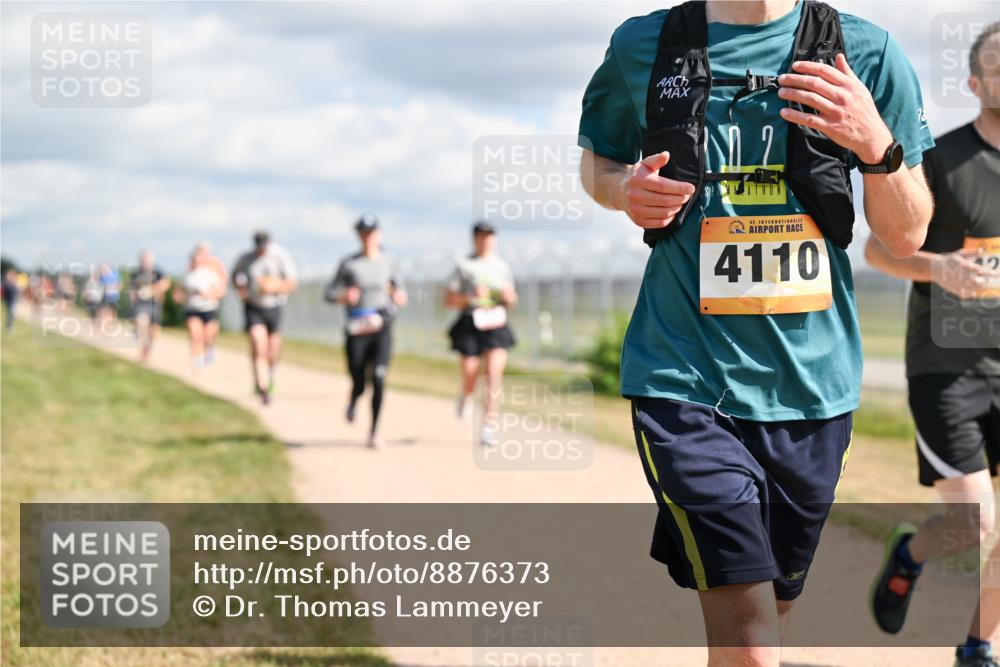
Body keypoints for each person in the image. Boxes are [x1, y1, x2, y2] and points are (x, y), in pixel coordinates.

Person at [578, 0, 934, 663]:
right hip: (684, 377)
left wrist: (875, 144)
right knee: (749, 640)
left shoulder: (868, 50)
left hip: (814, 390)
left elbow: (907, 233)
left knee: (774, 612)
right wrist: (624, 186)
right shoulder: (644, 44)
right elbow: (598, 161)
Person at [865, 22, 1000, 667]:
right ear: (974, 82)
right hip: (948, 366)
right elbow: (878, 247)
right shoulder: (940, 160)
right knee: (974, 526)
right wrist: (939, 267)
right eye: (996, 64)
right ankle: (909, 554)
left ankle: (979, 646)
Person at [325, 214, 407, 449]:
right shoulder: (348, 264)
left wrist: (399, 295)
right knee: (359, 379)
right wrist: (343, 296)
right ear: (358, 235)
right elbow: (329, 293)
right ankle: (354, 398)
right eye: (363, 232)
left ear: (378, 233)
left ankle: (374, 431)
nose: (368, 236)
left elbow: (400, 289)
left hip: (382, 325)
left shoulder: (390, 261)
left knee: (379, 376)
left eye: (371, 232)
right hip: (356, 327)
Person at [445, 221, 518, 447]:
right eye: (482, 236)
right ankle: (466, 395)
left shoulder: (502, 266)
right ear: (475, 239)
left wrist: (508, 297)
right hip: (471, 321)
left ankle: (488, 426)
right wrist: (470, 297)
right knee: (470, 372)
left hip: (496, 322)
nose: (486, 240)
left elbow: (512, 300)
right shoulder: (464, 266)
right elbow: (448, 300)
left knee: (494, 374)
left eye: (490, 236)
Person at [232, 231, 298, 405]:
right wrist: (242, 292)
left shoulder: (280, 256)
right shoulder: (245, 258)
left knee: (273, 348)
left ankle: (270, 376)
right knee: (258, 342)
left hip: (275, 306)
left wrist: (273, 286)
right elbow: (234, 277)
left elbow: (292, 283)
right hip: (254, 306)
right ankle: (262, 386)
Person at [174, 244, 226, 369]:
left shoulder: (210, 274)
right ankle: (197, 360)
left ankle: (208, 349)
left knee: (208, 335)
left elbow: (221, 291)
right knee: (195, 334)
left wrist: (208, 295)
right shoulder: (186, 275)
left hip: (209, 308)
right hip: (193, 308)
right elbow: (178, 291)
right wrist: (180, 298)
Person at [129, 250, 171, 362]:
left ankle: (147, 350)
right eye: (144, 259)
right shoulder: (135, 273)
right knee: (142, 322)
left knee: (154, 332)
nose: (145, 262)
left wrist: (153, 290)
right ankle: (138, 334)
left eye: (148, 259)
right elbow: (131, 288)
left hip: (155, 304)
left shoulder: (157, 272)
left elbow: (166, 283)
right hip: (141, 304)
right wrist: (134, 295)